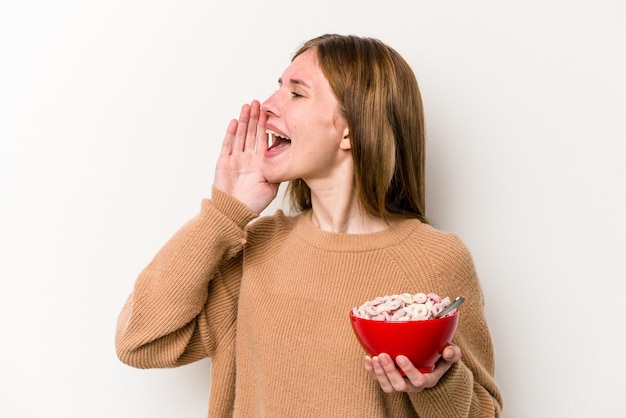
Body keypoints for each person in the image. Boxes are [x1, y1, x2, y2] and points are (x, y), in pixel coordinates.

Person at [115, 33, 503, 417]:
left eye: (296, 93)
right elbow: (140, 342)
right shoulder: (256, 248)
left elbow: (483, 413)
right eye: (278, 88)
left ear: (351, 128)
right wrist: (224, 214)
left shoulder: (436, 258)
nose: (267, 105)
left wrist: (437, 385)